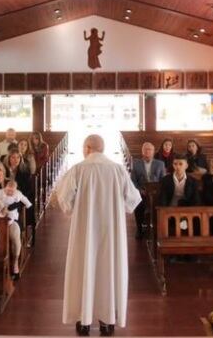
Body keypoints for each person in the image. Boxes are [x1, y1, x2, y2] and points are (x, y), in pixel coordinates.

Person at [55, 134, 141, 336]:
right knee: (108, 270)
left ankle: (84, 320)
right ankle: (107, 320)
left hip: (85, 231)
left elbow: (64, 202)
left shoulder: (78, 169)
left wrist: (79, 203)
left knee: (83, 268)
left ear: (87, 147)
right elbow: (133, 201)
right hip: (111, 232)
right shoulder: (117, 169)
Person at [0, 179, 32, 279]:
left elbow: (23, 201)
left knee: (15, 236)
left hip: (11, 219)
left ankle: (15, 261)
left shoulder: (16, 192)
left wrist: (9, 208)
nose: (9, 192)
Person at [130, 142, 166, 239]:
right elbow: (132, 181)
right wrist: (140, 190)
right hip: (142, 191)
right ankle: (139, 228)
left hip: (156, 192)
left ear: (153, 152)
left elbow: (163, 180)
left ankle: (157, 228)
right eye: (145, 149)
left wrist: (157, 191)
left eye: (150, 149)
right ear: (142, 151)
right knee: (138, 204)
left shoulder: (160, 164)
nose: (147, 151)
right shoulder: (136, 164)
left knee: (159, 204)